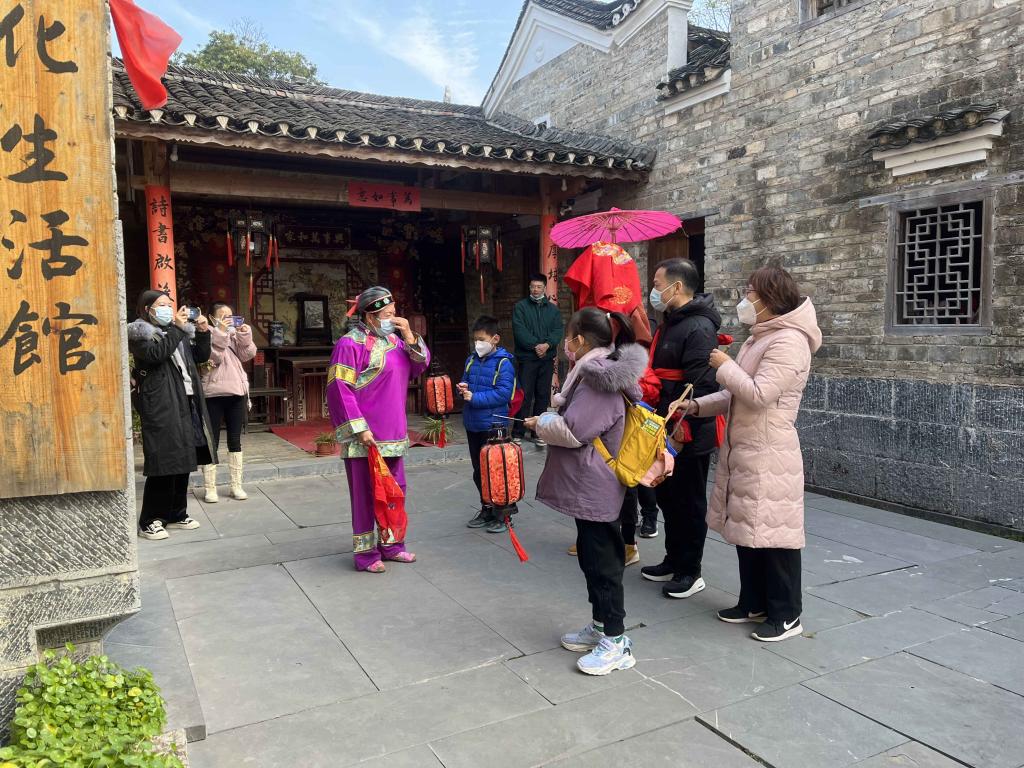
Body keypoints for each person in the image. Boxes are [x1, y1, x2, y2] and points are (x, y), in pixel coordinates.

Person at [683, 266, 821, 642]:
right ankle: (754, 602)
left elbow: (760, 394)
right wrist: (696, 406)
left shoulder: (789, 341)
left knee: (774, 534)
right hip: (744, 448)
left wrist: (725, 366)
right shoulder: (759, 338)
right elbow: (734, 395)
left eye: (750, 293)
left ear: (769, 298)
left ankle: (787, 614)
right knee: (748, 530)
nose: (745, 300)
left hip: (769, 451)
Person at [527, 308, 647, 676]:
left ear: (579, 339)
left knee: (603, 563)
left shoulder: (598, 379)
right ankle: (600, 626)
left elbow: (575, 431)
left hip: (596, 482)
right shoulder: (596, 372)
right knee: (592, 558)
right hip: (591, 481)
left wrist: (542, 422)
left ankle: (616, 640)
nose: (566, 344)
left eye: (569, 336)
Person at [326, 286, 430, 573]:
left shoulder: (395, 341)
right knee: (364, 495)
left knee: (394, 492)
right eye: (387, 315)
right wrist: (359, 428)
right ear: (370, 316)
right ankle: (366, 555)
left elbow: (420, 366)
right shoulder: (350, 344)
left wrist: (409, 335)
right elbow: (339, 388)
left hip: (394, 432)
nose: (393, 319)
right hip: (365, 435)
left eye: (394, 313)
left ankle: (393, 545)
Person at [640, 258, 722, 599]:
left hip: (688, 429)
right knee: (668, 496)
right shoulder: (670, 322)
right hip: (664, 421)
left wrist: (683, 428)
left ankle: (691, 570)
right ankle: (673, 559)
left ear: (676, 287)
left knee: (689, 500)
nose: (653, 291)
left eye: (657, 285)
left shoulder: (699, 327)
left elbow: (701, 385)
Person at [128, 290, 217, 540]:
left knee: (183, 457)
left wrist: (202, 332)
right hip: (161, 403)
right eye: (162, 305)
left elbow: (200, 356)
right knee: (164, 460)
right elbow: (156, 355)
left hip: (186, 401)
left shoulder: (176, 332)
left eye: (170, 304)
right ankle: (150, 520)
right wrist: (178, 329)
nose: (168, 309)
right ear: (147, 309)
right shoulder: (140, 333)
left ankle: (177, 514)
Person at [459, 316, 517, 534]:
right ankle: (487, 508)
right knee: (479, 470)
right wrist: (463, 389)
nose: (478, 344)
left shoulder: (504, 363)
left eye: (482, 339)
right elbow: (466, 380)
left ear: (495, 339)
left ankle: (504, 515)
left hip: (494, 424)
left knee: (498, 471)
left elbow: (504, 394)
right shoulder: (471, 360)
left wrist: (474, 398)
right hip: (473, 423)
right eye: (475, 340)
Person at [199, 304, 257, 503]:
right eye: (223, 316)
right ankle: (210, 488)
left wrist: (244, 335)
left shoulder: (233, 335)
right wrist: (221, 334)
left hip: (236, 393)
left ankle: (236, 486)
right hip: (213, 394)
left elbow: (248, 354)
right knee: (212, 441)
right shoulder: (205, 334)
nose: (228, 320)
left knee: (235, 440)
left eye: (230, 316)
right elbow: (212, 359)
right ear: (212, 318)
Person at [512, 273, 563, 444]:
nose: (535, 290)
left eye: (539, 287)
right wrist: (536, 346)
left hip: (546, 359)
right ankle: (518, 432)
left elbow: (558, 331)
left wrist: (547, 345)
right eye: (533, 286)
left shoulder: (553, 310)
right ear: (529, 287)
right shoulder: (520, 307)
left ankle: (538, 432)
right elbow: (519, 330)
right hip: (527, 358)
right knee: (524, 394)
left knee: (542, 395)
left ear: (544, 288)